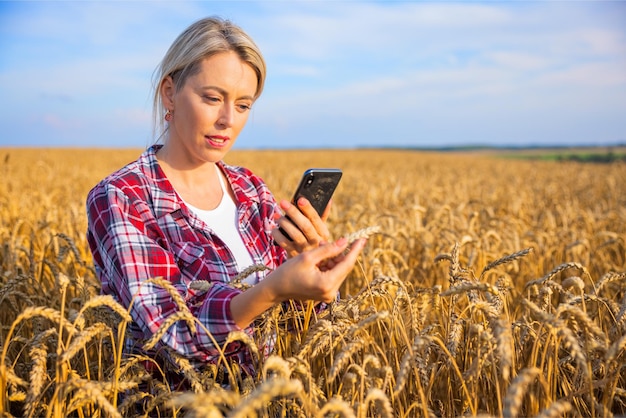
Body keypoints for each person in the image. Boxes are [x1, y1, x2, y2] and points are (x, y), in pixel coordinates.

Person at [86, 16, 366, 386]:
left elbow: (293, 328)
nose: (227, 120)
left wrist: (310, 268)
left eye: (243, 105)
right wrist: (272, 288)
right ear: (170, 92)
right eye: (213, 98)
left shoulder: (249, 188)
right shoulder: (123, 196)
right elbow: (171, 334)